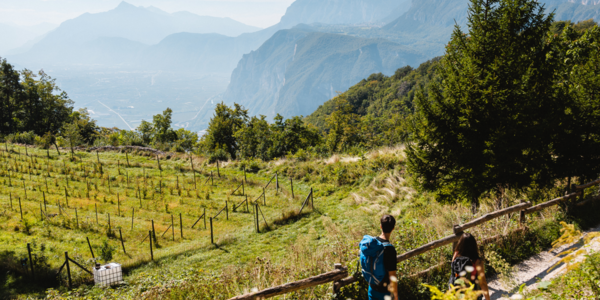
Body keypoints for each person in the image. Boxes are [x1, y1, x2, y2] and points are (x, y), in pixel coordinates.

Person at [360, 215, 398, 300]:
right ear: (393, 228)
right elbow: (392, 276)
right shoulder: (390, 249)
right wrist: (395, 297)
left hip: (372, 289)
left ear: (380, 226)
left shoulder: (372, 244)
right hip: (385, 293)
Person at [449, 233, 491, 300]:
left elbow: (453, 270)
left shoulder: (456, 254)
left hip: (457, 292)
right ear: (474, 245)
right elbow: (482, 283)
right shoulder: (477, 261)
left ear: (460, 243)